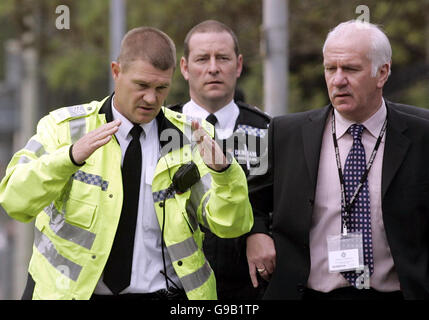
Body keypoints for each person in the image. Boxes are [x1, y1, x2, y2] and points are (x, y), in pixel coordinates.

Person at [0, 26, 253, 300]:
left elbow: (231, 226)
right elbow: (15, 200)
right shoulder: (64, 128)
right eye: (142, 85)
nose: (151, 98)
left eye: (161, 88)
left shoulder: (190, 136)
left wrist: (224, 173)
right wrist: (69, 157)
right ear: (116, 71)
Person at [251, 20, 429, 300]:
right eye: (330, 68)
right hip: (309, 293)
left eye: (350, 69)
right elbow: (251, 200)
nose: (337, 80)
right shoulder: (286, 134)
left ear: (382, 73)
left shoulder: (422, 133)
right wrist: (256, 234)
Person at [169, 20, 275, 299]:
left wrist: (260, 230)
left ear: (238, 65)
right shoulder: (161, 129)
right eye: (202, 59)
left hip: (249, 286)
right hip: (175, 285)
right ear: (184, 67)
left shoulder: (268, 130)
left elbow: (280, 201)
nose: (213, 68)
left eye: (223, 58)